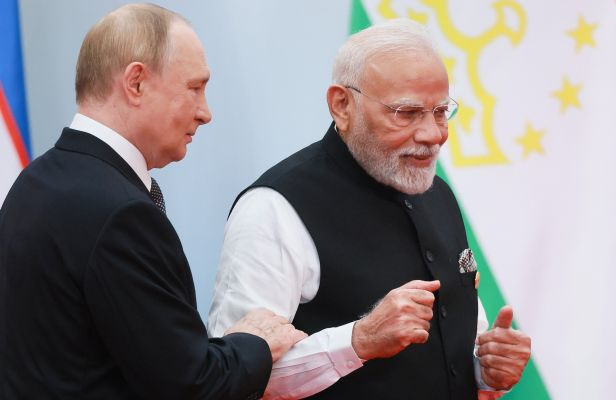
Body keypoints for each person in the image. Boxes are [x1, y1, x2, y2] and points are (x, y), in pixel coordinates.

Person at [208, 19, 531, 399]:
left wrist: (486, 367)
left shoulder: (438, 193)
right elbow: (233, 380)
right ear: (341, 105)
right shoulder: (274, 208)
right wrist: (359, 340)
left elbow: (454, 351)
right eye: (406, 113)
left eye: (441, 111)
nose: (433, 134)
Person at [0, 4, 306, 399]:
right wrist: (256, 343)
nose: (206, 113)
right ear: (136, 83)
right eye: (194, 88)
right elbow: (191, 385)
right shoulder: (120, 213)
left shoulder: (35, 181)